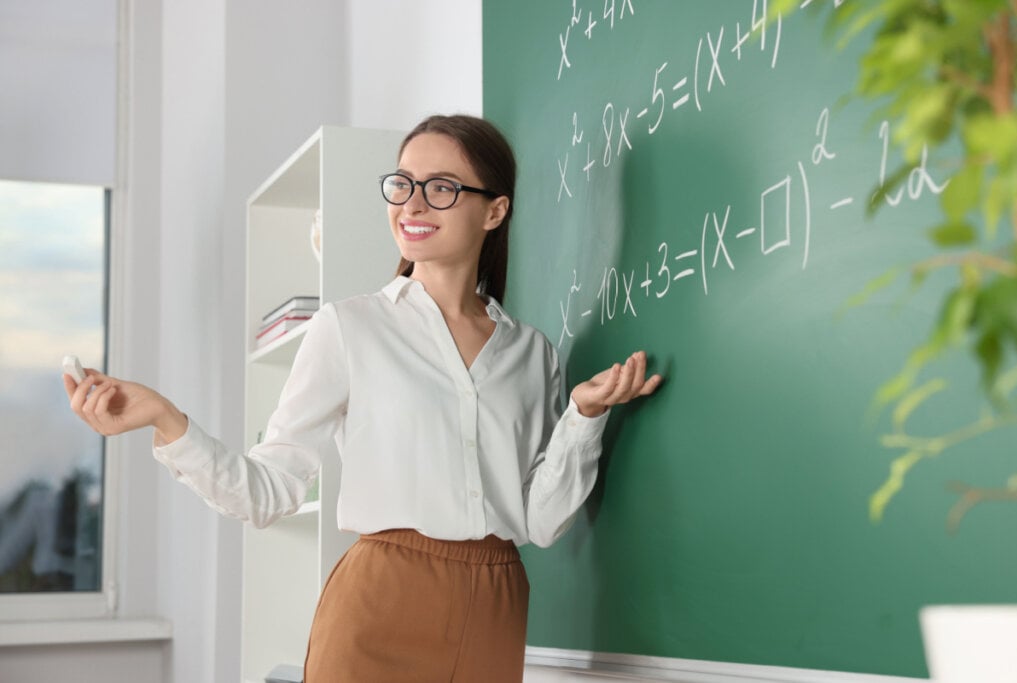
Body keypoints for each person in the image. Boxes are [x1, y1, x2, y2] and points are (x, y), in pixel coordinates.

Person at [65, 114, 662, 682]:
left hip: (496, 605)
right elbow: (270, 492)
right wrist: (166, 421)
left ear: (495, 210)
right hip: (381, 602)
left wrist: (583, 417)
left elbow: (541, 520)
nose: (412, 204)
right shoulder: (349, 327)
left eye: (441, 188)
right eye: (401, 185)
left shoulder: (534, 354)